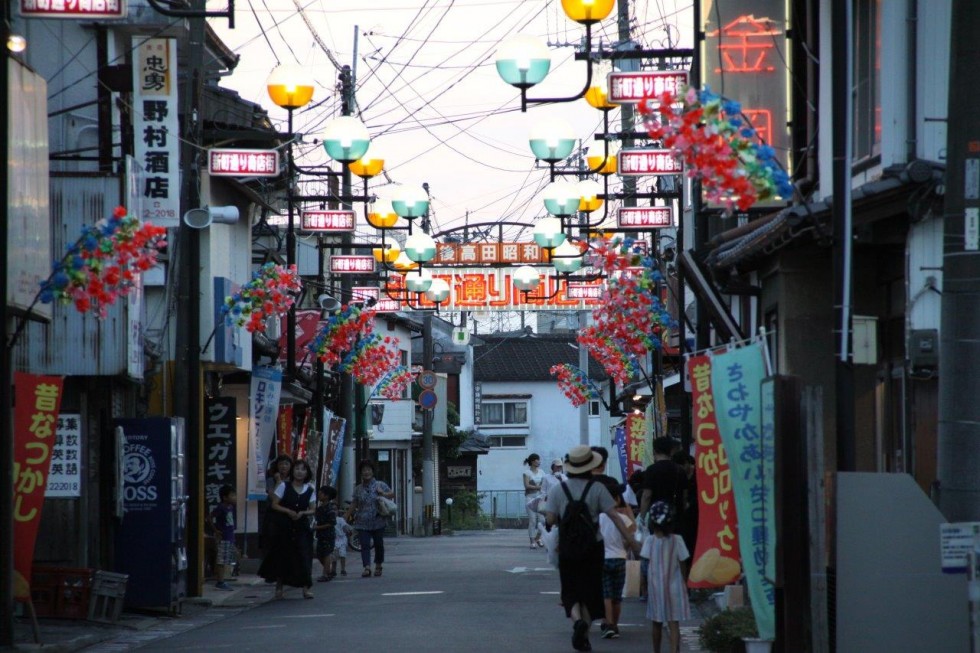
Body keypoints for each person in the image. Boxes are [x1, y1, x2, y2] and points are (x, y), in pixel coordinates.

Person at [544, 445, 640, 652]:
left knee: (571, 591)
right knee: (589, 592)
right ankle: (585, 631)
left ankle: (577, 621)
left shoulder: (558, 489)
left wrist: (550, 515)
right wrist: (632, 542)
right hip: (594, 548)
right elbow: (615, 516)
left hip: (568, 548)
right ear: (591, 465)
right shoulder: (598, 489)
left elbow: (550, 519)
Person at [258, 458, 317, 599]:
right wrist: (288, 511)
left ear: (307, 472)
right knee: (282, 556)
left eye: (303, 469)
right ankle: (279, 588)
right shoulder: (284, 486)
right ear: (292, 471)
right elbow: (274, 504)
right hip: (284, 527)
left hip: (302, 527)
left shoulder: (310, 489)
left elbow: (313, 509)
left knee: (304, 556)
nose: (299, 472)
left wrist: (303, 512)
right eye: (297, 469)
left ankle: (306, 588)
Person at [641, 501, 691, 653]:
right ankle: (674, 650)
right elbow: (683, 562)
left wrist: (643, 586)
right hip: (675, 585)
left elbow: (645, 564)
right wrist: (685, 582)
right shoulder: (678, 539)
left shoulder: (650, 540)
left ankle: (657, 650)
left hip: (656, 586)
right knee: (673, 621)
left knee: (657, 622)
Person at [597, 479, 636, 640]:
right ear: (618, 499)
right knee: (617, 597)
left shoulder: (598, 518)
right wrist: (625, 548)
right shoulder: (623, 519)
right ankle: (615, 625)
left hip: (603, 559)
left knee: (606, 595)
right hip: (620, 558)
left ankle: (608, 624)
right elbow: (632, 535)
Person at [348, 460, 394, 578]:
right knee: (364, 544)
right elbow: (354, 503)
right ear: (361, 473)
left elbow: (392, 494)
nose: (366, 472)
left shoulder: (380, 484)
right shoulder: (358, 488)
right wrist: (346, 515)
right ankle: (367, 567)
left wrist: (382, 493)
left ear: (373, 472)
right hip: (362, 521)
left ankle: (378, 565)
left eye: (368, 470)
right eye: (364, 470)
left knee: (378, 544)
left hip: (378, 521)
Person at [639, 437, 687, 520]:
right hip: (676, 516)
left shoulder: (651, 470)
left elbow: (647, 495)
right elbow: (684, 496)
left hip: (657, 515)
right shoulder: (680, 470)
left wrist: (642, 517)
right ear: (671, 451)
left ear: (654, 451)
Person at [211, 485, 238, 591]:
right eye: (232, 495)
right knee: (222, 560)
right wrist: (216, 530)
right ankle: (220, 581)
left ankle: (222, 579)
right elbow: (209, 517)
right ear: (225, 497)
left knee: (226, 559)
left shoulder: (231, 507)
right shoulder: (221, 507)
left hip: (230, 535)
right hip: (224, 536)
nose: (235, 497)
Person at [671, 451, 698, 556]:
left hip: (695, 510)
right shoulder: (678, 475)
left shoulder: (697, 474)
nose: (682, 468)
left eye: (683, 465)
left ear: (687, 463)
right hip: (684, 513)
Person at [314, 486, 338, 582]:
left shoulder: (330, 508)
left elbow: (332, 523)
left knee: (326, 553)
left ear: (327, 496)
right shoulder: (319, 508)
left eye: (321, 493)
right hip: (320, 535)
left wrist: (317, 528)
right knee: (319, 554)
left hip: (328, 535)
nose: (319, 494)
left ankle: (325, 574)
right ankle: (330, 569)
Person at [523, 454, 546, 549]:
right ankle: (532, 541)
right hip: (530, 498)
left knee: (543, 520)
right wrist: (539, 487)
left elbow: (545, 483)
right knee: (532, 520)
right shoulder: (527, 473)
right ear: (532, 461)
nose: (539, 462)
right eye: (537, 460)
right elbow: (527, 485)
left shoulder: (542, 472)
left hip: (540, 498)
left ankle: (538, 538)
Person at [330, 509, 352, 578]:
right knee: (334, 556)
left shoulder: (340, 520)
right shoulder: (329, 520)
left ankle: (343, 569)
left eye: (335, 509)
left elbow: (345, 527)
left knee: (342, 555)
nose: (334, 511)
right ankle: (333, 570)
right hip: (333, 539)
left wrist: (348, 531)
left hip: (341, 539)